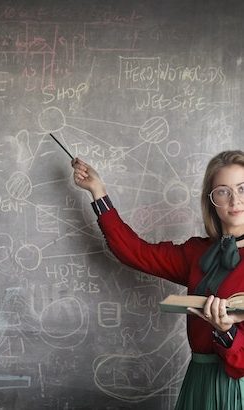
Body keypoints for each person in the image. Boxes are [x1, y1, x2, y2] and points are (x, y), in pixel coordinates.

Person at [71, 150, 244, 409]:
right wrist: (98, 191)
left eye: (243, 188)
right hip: (198, 380)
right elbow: (135, 253)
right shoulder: (197, 252)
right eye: (223, 191)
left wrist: (226, 332)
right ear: (211, 201)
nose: (235, 200)